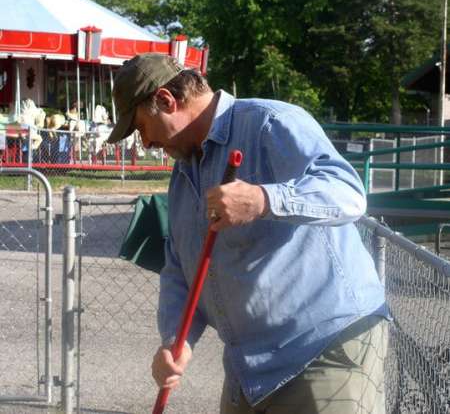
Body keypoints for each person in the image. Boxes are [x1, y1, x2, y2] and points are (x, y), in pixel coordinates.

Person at [107, 53, 390, 414]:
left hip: (323, 350)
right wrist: (177, 340)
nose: (145, 144)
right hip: (250, 370)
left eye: (141, 127)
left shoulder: (269, 123)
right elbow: (179, 272)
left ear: (166, 100)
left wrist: (262, 198)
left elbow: (348, 194)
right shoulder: (183, 178)